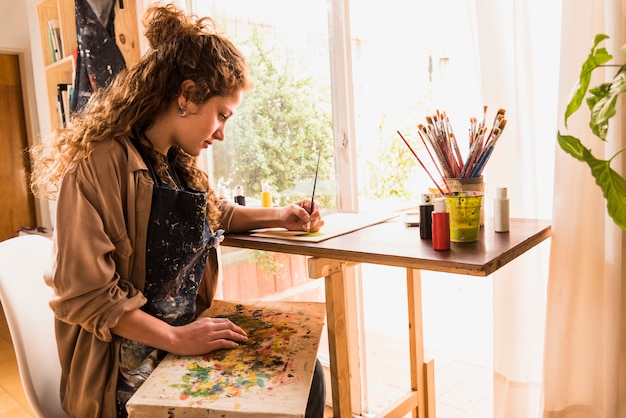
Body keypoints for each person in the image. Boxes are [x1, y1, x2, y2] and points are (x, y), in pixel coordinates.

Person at [29, 4, 326, 418]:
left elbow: (214, 212)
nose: (222, 133)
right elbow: (88, 296)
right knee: (295, 388)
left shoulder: (171, 160)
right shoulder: (99, 163)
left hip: (175, 340)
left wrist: (280, 215)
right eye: (221, 115)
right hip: (125, 374)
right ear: (186, 95)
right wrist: (178, 338)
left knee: (308, 376)